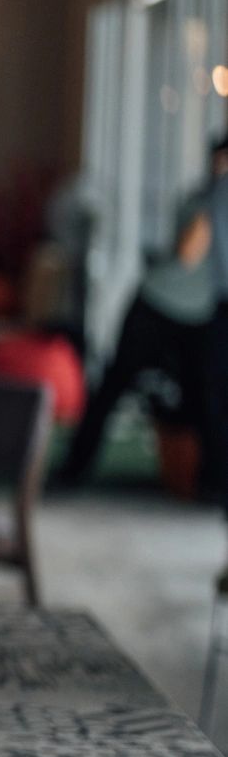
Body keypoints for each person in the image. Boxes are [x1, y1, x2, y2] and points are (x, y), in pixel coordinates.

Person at [55, 158, 217, 486]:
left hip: (196, 311)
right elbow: (189, 252)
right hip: (160, 305)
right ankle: (74, 468)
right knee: (116, 383)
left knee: (202, 397)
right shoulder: (209, 199)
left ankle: (201, 479)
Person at [175, 136, 228, 512]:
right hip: (214, 306)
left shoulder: (214, 195)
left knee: (214, 395)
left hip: (217, 306)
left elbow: (188, 254)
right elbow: (189, 254)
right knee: (212, 393)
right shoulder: (210, 197)